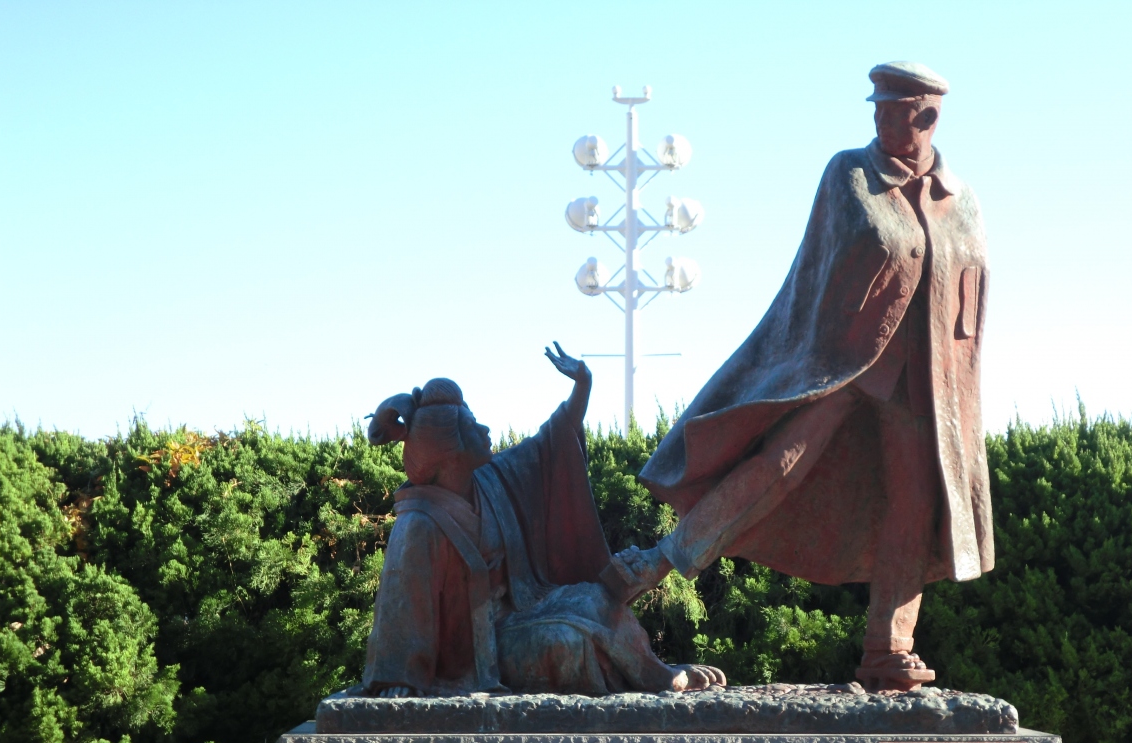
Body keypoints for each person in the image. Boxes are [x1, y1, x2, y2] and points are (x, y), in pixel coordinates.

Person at [601, 62, 993, 692]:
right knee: (779, 462)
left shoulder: (962, 200)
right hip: (840, 364)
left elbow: (969, 295)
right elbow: (820, 275)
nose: (881, 120)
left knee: (916, 503)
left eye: (896, 111)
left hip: (923, 382)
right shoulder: (851, 175)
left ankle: (888, 650)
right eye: (877, 109)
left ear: (928, 117)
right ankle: (656, 564)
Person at [361, 343, 725, 697]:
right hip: (478, 649)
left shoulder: (492, 479)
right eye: (473, 426)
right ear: (449, 450)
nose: (486, 430)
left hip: (525, 607)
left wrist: (583, 386)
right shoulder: (420, 522)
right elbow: (402, 607)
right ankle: (654, 679)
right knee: (566, 643)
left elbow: (550, 440)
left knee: (597, 600)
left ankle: (655, 673)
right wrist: (400, 677)